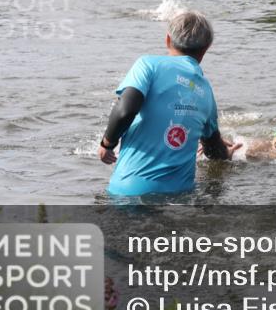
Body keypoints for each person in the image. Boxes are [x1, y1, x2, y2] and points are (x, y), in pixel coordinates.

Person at [99, 11, 238, 196]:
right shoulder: (206, 90)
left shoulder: (148, 65)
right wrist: (226, 154)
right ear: (206, 49)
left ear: (167, 40)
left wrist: (107, 144)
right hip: (178, 197)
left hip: (127, 192)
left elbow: (126, 110)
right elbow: (213, 149)